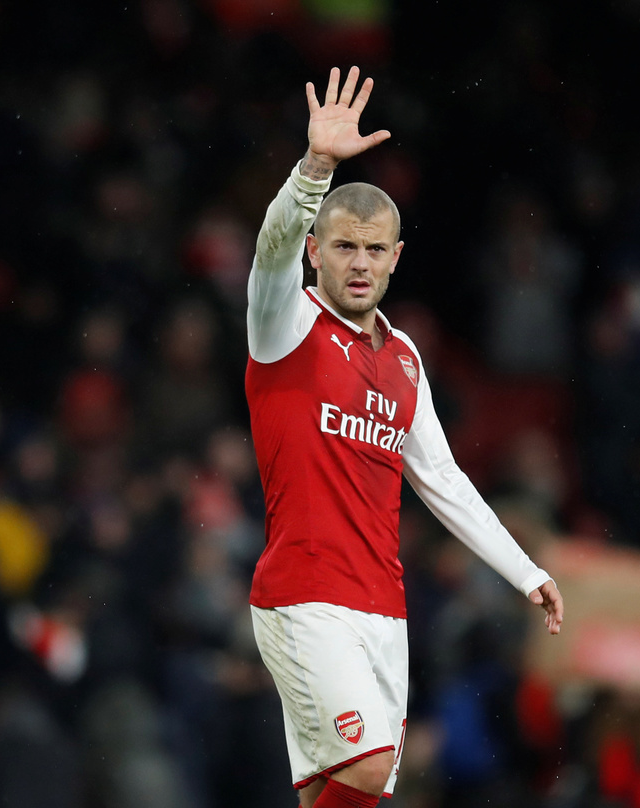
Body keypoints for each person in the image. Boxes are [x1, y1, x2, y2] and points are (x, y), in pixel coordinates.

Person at [244, 66, 565, 808]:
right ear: (316, 252)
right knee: (366, 766)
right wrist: (314, 170)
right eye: (343, 247)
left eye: (374, 249)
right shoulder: (284, 324)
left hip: (384, 608)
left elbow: (443, 480)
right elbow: (270, 250)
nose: (359, 263)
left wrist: (525, 572)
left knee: (340, 790)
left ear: (395, 257)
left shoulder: (405, 358)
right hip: (304, 597)